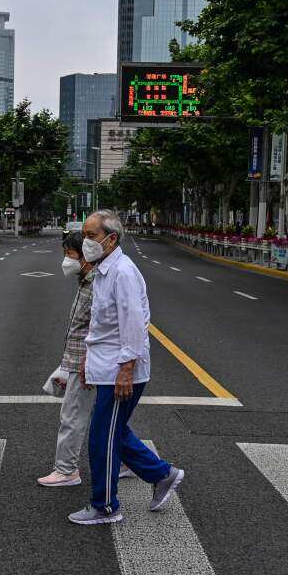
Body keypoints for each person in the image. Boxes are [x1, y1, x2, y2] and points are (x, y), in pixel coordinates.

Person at [68, 209, 184, 525]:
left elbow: (134, 323)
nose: (85, 241)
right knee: (113, 433)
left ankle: (105, 506)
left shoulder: (123, 273)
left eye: (91, 235)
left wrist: (126, 369)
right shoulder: (103, 269)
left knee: (101, 437)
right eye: (85, 235)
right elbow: (102, 325)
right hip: (105, 366)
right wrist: (88, 363)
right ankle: (163, 474)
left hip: (120, 370)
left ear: (111, 238)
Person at [37, 231, 101, 487]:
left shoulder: (97, 285)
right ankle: (126, 461)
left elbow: (99, 328)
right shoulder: (86, 281)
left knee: (72, 417)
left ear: (85, 257)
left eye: (69, 254)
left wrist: (83, 362)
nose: (65, 260)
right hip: (78, 361)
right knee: (104, 417)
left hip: (86, 364)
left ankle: (66, 470)